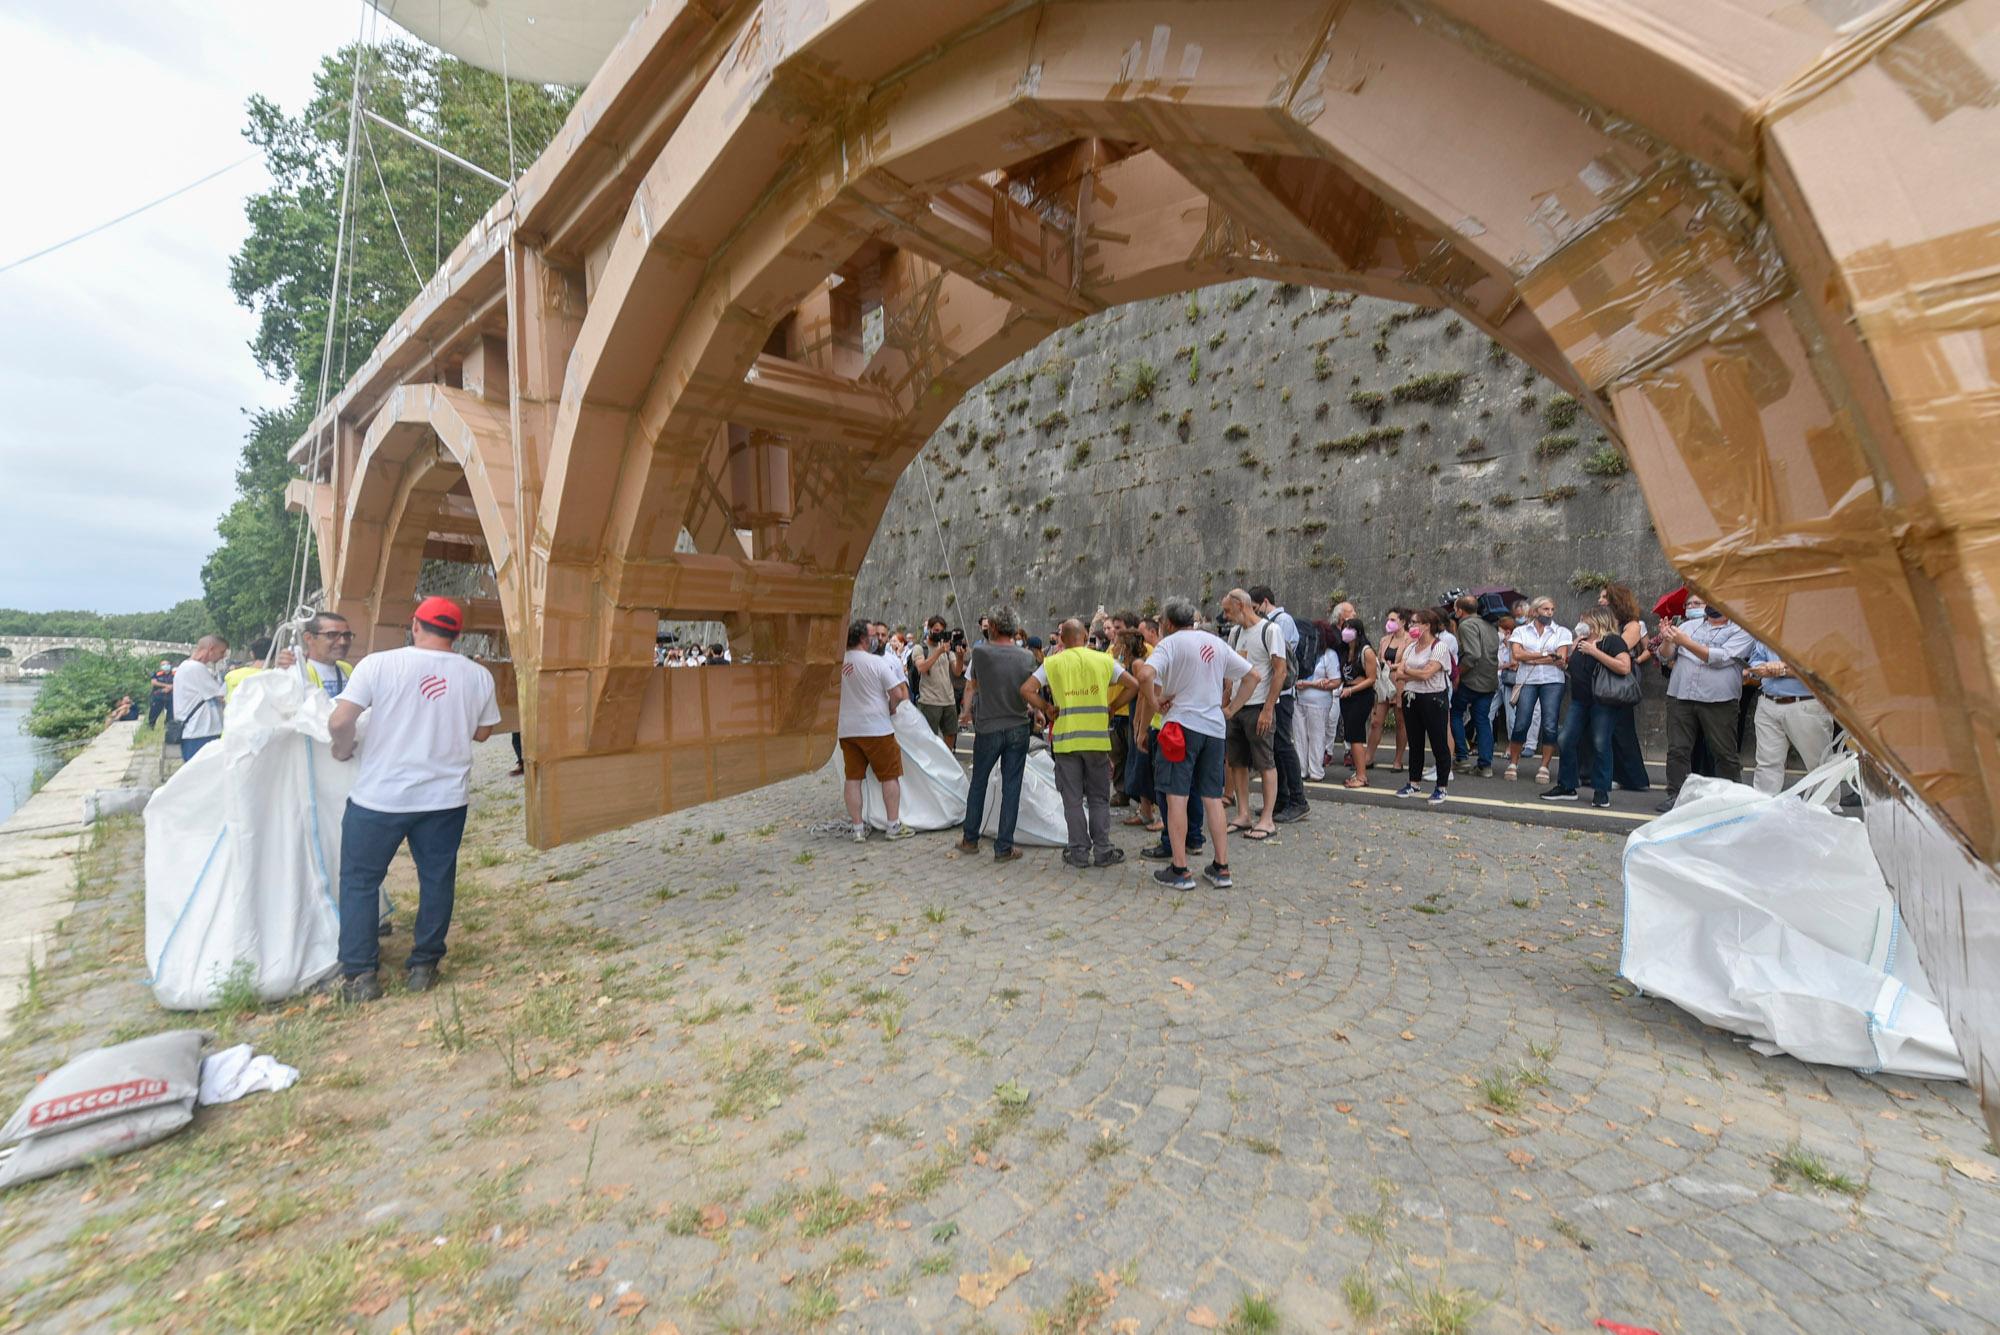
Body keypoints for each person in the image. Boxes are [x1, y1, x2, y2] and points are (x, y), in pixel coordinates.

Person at [327, 597, 500, 1002]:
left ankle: (361, 975)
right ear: (456, 634)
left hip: (380, 797)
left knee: (360, 881)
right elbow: (484, 732)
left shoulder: (379, 664)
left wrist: (342, 748)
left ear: (416, 625)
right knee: (437, 879)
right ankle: (424, 965)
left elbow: (339, 719)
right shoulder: (477, 676)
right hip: (444, 798)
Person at [1135, 597, 1257, 891]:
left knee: (1177, 796)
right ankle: (1221, 867)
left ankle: (1180, 868)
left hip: (1180, 726)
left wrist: (1155, 700)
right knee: (1212, 797)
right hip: (1213, 728)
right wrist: (1231, 709)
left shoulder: (1171, 644)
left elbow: (1145, 674)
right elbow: (1253, 675)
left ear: (1166, 623)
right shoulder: (1216, 643)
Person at [1022, 619, 1136, 868]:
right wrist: (1114, 707)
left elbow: (1027, 689)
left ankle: (1078, 852)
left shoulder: (1052, 663)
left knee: (1072, 800)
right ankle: (1103, 850)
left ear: (1062, 638)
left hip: (1066, 743)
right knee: (1098, 798)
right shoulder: (1104, 660)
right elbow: (1134, 684)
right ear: (1085, 636)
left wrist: (1047, 708)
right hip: (1096, 741)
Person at [1657, 594, 1758, 809]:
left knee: (1724, 752)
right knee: (1678, 749)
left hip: (1718, 699)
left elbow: (1719, 658)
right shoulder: (1689, 625)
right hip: (1680, 694)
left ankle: (1732, 798)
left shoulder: (1742, 630)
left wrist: (1686, 643)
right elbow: (1665, 656)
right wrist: (1667, 639)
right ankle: (1675, 795)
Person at [958, 607, 1040, 862]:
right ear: (1015, 629)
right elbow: (1027, 690)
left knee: (979, 782)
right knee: (1011, 786)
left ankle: (970, 839)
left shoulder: (981, 653)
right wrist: (1036, 710)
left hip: (989, 725)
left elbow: (976, 685)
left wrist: (967, 710)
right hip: (1017, 725)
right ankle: (1004, 847)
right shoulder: (1027, 657)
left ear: (992, 626)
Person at [1543, 607, 1634, 807]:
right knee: (1566, 739)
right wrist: (1563, 664)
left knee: (1601, 743)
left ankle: (1601, 791)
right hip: (1580, 700)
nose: (1580, 622)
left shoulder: (1612, 641)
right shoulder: (1581, 642)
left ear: (1597, 621)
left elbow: (1624, 666)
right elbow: (1579, 669)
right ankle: (1567, 785)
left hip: (1603, 700)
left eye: (1584, 619)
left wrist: (1595, 651)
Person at [835, 619, 915, 843]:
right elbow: (898, 693)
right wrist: (890, 708)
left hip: (848, 730)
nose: (874, 640)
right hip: (877, 728)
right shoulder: (875, 663)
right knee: (889, 776)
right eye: (871, 636)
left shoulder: (838, 664)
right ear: (862, 639)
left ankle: (858, 828)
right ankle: (892, 826)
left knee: (853, 778)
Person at [1221, 589, 1286, 841]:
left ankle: (1267, 818)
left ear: (1240, 605)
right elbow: (1230, 669)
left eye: (1228, 610)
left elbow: (1279, 671)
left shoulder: (1270, 631)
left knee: (1265, 761)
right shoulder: (1236, 633)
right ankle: (1244, 813)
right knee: (1236, 762)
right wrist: (1227, 701)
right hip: (1237, 707)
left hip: (1258, 705)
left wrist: (1268, 708)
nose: (1226, 616)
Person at [1248, 585, 1308, 822]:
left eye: (1254, 608)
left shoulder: (1281, 622)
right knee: (1275, 748)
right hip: (1272, 693)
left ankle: (1298, 800)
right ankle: (1281, 799)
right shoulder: (1270, 622)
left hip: (1281, 695)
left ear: (1263, 602)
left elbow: (1280, 663)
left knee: (1284, 745)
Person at [1746, 639, 1835, 795]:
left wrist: (1782, 670)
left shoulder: (1817, 632)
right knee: (1767, 763)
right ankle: (1763, 808)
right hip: (1768, 702)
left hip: (1805, 704)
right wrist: (1762, 667)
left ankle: (1826, 809)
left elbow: (1822, 668)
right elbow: (1755, 660)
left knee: (1819, 764)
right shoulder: (1768, 632)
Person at [1390, 607, 1454, 804]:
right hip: (1412, 696)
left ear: (1427, 625)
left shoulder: (1439, 647)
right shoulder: (1410, 647)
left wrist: (1408, 671)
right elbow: (1398, 673)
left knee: (1438, 742)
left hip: (1434, 697)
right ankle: (1413, 782)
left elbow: (1428, 674)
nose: (1412, 626)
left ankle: (1441, 787)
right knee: (1415, 742)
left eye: (1416, 623)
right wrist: (1411, 672)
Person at [1593, 583, 1653, 792]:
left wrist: (1596, 644)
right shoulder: (1605, 624)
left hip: (1620, 676)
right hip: (1603, 674)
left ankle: (1634, 778)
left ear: (1615, 600)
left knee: (1622, 728)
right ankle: (1610, 774)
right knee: (1605, 728)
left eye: (1604, 597)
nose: (1600, 601)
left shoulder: (1633, 625)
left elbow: (1620, 647)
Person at [1504, 596, 1570, 782]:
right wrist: (1544, 655)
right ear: (1535, 611)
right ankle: (1513, 763)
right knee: (1521, 722)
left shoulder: (1561, 632)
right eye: (1545, 609)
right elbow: (1516, 655)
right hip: (1528, 680)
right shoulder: (1521, 631)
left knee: (1550, 724)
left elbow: (1560, 659)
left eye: (1552, 609)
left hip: (1553, 681)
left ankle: (1544, 767)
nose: (1549, 613)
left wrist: (1530, 657)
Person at [1449, 595, 1499, 776]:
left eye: (1455, 609)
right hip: (1489, 681)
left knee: (1455, 713)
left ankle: (1461, 757)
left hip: (1471, 681)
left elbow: (1472, 655)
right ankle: (1485, 765)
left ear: (1460, 611)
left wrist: (1457, 675)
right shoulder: (1491, 626)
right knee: (1483, 720)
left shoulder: (1466, 625)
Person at [1333, 616, 1379, 788]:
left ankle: (1361, 776)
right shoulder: (1345, 650)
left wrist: (1351, 689)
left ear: (1358, 632)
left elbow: (1371, 678)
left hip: (1361, 696)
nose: (1345, 631)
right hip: (1347, 695)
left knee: (1356, 736)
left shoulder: (1366, 651)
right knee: (1350, 736)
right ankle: (1359, 771)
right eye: (1344, 627)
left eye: (1350, 628)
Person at [170, 635, 229, 762]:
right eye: (222, 652)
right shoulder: (195, 668)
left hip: (197, 733)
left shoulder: (186, 666)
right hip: (201, 732)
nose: (223, 656)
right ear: (211, 649)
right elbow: (221, 694)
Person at [1296, 628, 1342, 782]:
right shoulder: (1305, 652)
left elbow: (1335, 681)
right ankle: (1302, 770)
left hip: (1319, 702)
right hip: (1299, 699)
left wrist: (1309, 684)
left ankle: (1316, 771)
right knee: (1300, 736)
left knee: (1316, 736)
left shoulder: (1329, 655)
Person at [1368, 609, 1409, 774]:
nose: (1389, 622)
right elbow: (1379, 658)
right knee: (1376, 721)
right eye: (1388, 619)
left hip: (1400, 683)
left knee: (1401, 722)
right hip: (1383, 683)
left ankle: (1398, 760)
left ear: (1402, 622)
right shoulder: (1385, 640)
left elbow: (1408, 661)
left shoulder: (1410, 640)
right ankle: (1368, 757)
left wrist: (1395, 666)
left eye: (1393, 619)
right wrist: (1382, 663)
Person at [911, 616, 958, 743]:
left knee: (951, 734)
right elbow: (921, 668)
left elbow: (957, 671)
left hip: (949, 700)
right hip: (929, 701)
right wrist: (938, 652)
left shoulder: (947, 649)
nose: (939, 634)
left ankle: (946, 760)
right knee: (928, 739)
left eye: (941, 631)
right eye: (936, 630)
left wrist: (960, 655)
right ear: (929, 629)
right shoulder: (920, 648)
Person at [296, 612, 356, 700]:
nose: (343, 642)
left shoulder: (347, 668)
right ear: (308, 638)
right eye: (332, 635)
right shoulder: (299, 672)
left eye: (346, 635)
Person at [146, 661, 174, 728]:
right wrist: (166, 686)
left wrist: (170, 688)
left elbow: (179, 682)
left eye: (167, 664)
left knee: (171, 712)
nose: (166, 666)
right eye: (163, 664)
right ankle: (151, 725)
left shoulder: (174, 674)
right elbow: (154, 682)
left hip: (170, 695)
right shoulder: (157, 674)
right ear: (160, 666)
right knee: (154, 711)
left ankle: (168, 726)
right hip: (158, 695)